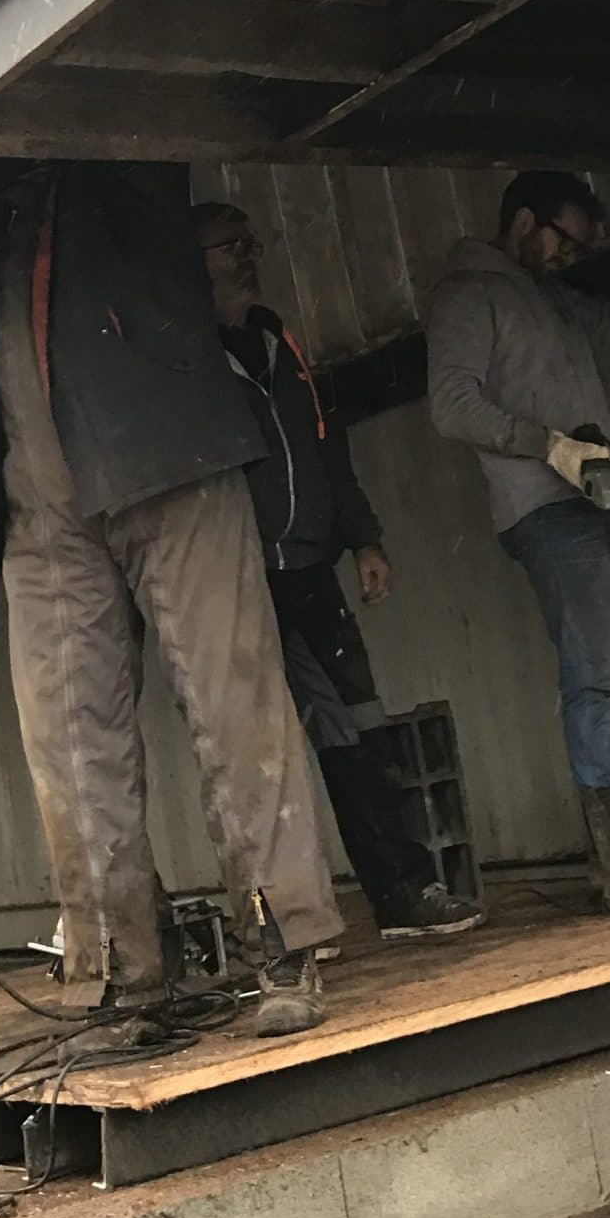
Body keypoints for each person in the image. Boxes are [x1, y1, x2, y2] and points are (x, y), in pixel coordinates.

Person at [0, 157, 341, 1038]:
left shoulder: (115, 155)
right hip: (39, 494)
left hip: (169, 448)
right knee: (70, 738)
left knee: (233, 699)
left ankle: (284, 941)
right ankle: (124, 970)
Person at [195, 202, 483, 944]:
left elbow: (329, 450)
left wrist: (364, 539)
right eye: (230, 247)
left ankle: (405, 895)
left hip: (311, 570)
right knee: (257, 752)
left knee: (360, 726)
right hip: (242, 581)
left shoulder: (278, 341)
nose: (247, 257)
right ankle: (283, 928)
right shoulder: (190, 358)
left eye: (249, 243)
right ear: (193, 264)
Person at [426, 172, 610, 914]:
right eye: (563, 240)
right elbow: (450, 404)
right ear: (524, 220)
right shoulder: (468, 293)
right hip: (544, 510)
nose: (567, 256)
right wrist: (546, 445)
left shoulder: (544, 292)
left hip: (598, 502)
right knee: (596, 676)